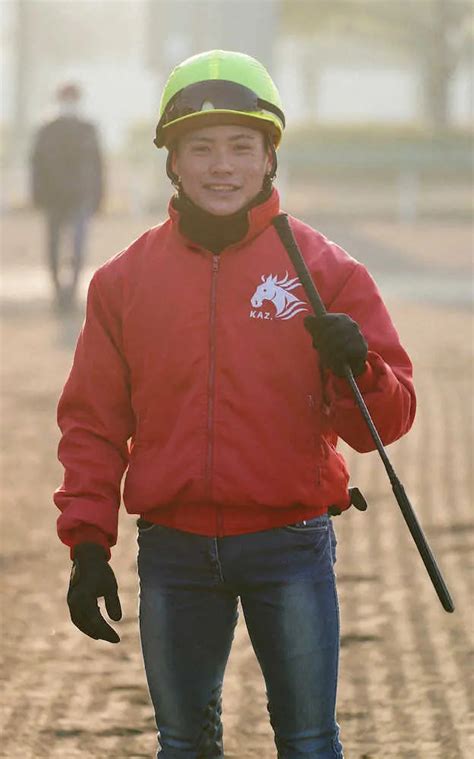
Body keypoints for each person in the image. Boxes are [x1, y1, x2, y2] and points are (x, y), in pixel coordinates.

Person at [54, 50, 416, 758]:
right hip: (174, 551)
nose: (222, 165)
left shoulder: (329, 273)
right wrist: (88, 543)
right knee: (183, 744)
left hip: (292, 545)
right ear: (173, 162)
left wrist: (359, 367)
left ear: (269, 157)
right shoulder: (122, 283)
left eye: (241, 147)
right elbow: (93, 425)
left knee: (309, 742)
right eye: (201, 148)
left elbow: (390, 420)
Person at [31, 82, 104, 310]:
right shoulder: (47, 129)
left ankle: (71, 292)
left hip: (79, 197)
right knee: (54, 246)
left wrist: (99, 195)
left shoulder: (87, 128)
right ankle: (57, 292)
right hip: (54, 197)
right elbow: (37, 165)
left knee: (77, 247)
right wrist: (37, 194)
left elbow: (98, 166)